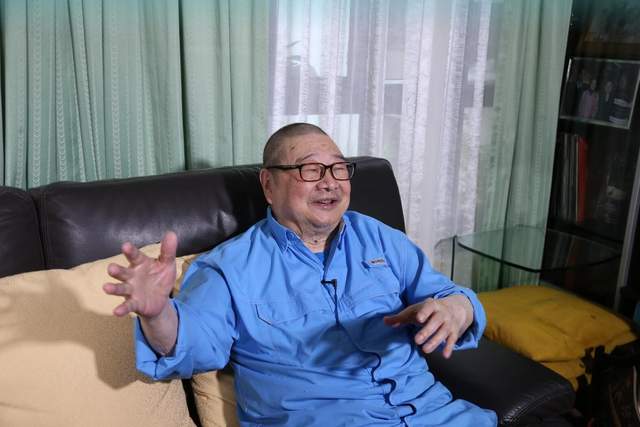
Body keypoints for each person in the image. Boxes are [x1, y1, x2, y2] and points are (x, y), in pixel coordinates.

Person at [103, 123, 497, 426]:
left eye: (339, 168)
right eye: (310, 169)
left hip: (441, 416)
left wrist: (455, 310)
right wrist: (157, 313)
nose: (329, 182)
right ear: (269, 185)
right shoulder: (229, 268)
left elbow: (451, 297)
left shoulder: (381, 239)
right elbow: (194, 344)